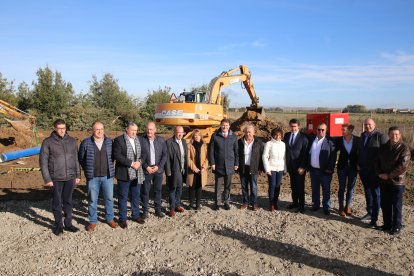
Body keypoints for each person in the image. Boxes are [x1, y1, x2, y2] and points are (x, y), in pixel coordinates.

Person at [39, 119, 80, 236]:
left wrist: (77, 175)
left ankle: (68, 224)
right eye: (59, 128)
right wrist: (47, 179)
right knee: (57, 202)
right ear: (55, 128)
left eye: (64, 128)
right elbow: (43, 162)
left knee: (68, 201)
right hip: (55, 178)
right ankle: (58, 226)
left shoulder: (72, 141)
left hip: (70, 177)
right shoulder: (48, 142)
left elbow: (76, 159)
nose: (62, 130)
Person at [78, 121, 118, 231]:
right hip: (93, 177)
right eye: (97, 129)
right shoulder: (86, 142)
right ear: (93, 130)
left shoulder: (110, 142)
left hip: (107, 176)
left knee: (109, 198)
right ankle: (92, 221)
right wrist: (88, 169)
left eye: (101, 129)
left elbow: (113, 157)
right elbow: (81, 158)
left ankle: (110, 218)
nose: (99, 131)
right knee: (92, 200)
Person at [376, 126, 411, 235]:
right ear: (388, 134)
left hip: (397, 182)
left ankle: (396, 226)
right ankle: (387, 224)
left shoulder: (404, 148)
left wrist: (389, 175)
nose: (394, 136)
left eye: (396, 134)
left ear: (399, 135)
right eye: (392, 134)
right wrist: (379, 173)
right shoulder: (383, 147)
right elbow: (377, 161)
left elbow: (402, 166)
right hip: (384, 180)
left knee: (396, 204)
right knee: (385, 203)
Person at [113, 122, 145, 229]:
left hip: (137, 172)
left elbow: (144, 153)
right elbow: (117, 155)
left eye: (136, 130)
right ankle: (122, 219)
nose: (134, 132)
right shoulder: (119, 140)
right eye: (132, 130)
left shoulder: (139, 139)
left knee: (135, 195)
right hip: (124, 173)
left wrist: (140, 162)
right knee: (123, 196)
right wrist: (131, 163)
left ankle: (135, 215)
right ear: (127, 129)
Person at [358, 118, 388, 227]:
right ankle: (370, 212)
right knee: (367, 191)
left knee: (376, 193)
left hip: (375, 171)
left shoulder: (381, 136)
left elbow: (385, 155)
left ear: (374, 125)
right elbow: (360, 151)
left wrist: (382, 170)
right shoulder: (362, 136)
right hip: (363, 170)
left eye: (369, 124)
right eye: (366, 124)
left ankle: (375, 215)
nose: (367, 126)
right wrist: (358, 164)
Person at [208, 118, 239, 210]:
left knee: (227, 186)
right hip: (218, 165)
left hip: (230, 165)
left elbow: (236, 151)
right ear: (220, 126)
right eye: (223, 125)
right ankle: (217, 203)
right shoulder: (215, 136)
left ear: (229, 126)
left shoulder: (233, 136)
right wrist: (212, 163)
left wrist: (236, 163)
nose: (225, 127)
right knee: (218, 185)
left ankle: (226, 202)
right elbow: (211, 151)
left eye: (226, 125)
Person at [140, 122, 168, 218]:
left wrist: (159, 167)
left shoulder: (161, 140)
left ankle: (157, 209)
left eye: (151, 129)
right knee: (145, 191)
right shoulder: (141, 140)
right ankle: (145, 210)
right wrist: (146, 166)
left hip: (158, 170)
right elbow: (139, 155)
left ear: (155, 130)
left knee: (158, 190)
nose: (149, 131)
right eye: (148, 129)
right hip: (146, 169)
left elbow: (165, 155)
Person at [308, 123, 336, 215]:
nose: (320, 131)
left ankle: (326, 207)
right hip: (313, 170)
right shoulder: (312, 139)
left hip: (325, 171)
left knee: (326, 189)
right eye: (319, 129)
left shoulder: (330, 141)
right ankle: (315, 205)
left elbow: (333, 157)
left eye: (322, 130)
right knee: (315, 188)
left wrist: (330, 168)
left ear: (326, 130)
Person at [283, 119, 309, 213]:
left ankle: (301, 206)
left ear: (298, 126)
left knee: (300, 186)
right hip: (290, 166)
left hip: (300, 167)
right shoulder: (286, 135)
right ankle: (295, 203)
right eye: (291, 126)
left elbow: (305, 153)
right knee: (293, 186)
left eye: (295, 126)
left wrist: (303, 166)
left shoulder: (303, 137)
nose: (293, 128)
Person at [237, 125, 264, 210]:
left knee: (254, 187)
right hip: (243, 167)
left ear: (253, 133)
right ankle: (245, 202)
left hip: (254, 167)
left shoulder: (259, 142)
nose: (248, 134)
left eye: (250, 132)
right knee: (244, 186)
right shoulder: (239, 142)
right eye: (247, 132)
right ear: (244, 132)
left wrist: (261, 168)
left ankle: (254, 203)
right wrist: (237, 166)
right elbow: (236, 155)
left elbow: (262, 156)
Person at [335, 124, 360, 217]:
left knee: (351, 187)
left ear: (350, 130)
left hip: (353, 168)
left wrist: (359, 164)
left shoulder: (358, 140)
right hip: (342, 167)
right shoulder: (339, 140)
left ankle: (348, 206)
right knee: (342, 187)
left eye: (344, 130)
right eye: (342, 130)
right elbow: (333, 150)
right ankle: (341, 207)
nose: (342, 131)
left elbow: (361, 153)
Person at [165, 126, 188, 217]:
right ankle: (171, 208)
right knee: (172, 188)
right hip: (174, 170)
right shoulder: (169, 142)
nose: (180, 134)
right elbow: (166, 158)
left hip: (182, 169)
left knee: (179, 188)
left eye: (181, 132)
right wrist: (168, 171)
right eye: (178, 132)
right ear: (174, 132)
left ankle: (177, 205)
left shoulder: (184, 141)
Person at [263, 128, 286, 212]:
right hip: (271, 168)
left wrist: (284, 168)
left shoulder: (283, 144)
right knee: (272, 186)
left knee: (277, 186)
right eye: (276, 135)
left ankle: (275, 202)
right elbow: (265, 156)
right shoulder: (269, 144)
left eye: (279, 135)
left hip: (280, 168)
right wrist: (267, 169)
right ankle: (271, 203)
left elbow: (284, 157)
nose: (277, 137)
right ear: (273, 135)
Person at [187, 129, 209, 210]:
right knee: (192, 187)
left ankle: (198, 204)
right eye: (195, 135)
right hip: (192, 170)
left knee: (199, 187)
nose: (196, 137)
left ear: (200, 136)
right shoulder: (189, 145)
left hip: (201, 170)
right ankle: (191, 204)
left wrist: (204, 167)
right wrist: (194, 168)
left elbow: (207, 157)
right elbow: (188, 158)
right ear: (193, 136)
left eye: (198, 135)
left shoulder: (204, 145)